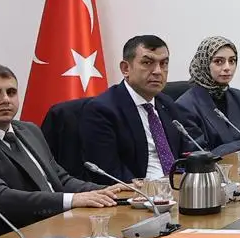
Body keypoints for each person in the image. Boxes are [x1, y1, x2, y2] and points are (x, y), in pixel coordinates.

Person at [0, 63, 129, 236]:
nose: (5, 99)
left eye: (11, 92)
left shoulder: (28, 130)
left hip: (54, 227)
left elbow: (60, 180)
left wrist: (106, 190)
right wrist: (72, 200)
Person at [78, 35, 197, 183]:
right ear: (126, 68)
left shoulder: (166, 103)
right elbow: (107, 172)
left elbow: (186, 152)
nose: (158, 71)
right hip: (138, 192)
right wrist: (150, 188)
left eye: (163, 63)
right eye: (147, 63)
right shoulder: (102, 110)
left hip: (176, 185)